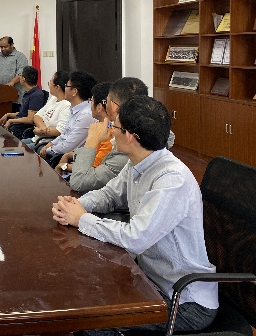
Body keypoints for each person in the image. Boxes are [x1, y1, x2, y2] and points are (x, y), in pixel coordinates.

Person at [52, 96, 218, 334]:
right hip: (150, 279)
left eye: (115, 126)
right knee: (81, 290)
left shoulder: (172, 179)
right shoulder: (139, 161)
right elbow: (110, 195)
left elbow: (136, 238)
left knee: (92, 320)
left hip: (183, 301)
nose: (111, 131)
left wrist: (81, 219)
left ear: (130, 136)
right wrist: (77, 205)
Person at [64, 77, 147, 193]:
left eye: (106, 101)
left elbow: (79, 183)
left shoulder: (125, 146)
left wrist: (92, 140)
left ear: (113, 106)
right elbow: (109, 194)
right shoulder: (139, 131)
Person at [55, 82, 112, 183]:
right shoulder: (100, 125)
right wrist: (69, 155)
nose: (90, 104)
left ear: (99, 107)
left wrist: (63, 166)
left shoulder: (109, 134)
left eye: (91, 101)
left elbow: (91, 168)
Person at [39, 70, 96, 167]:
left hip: (67, 159)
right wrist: (50, 144)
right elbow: (64, 134)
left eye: (67, 86)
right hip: (58, 152)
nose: (64, 88)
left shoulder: (85, 115)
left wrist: (48, 150)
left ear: (74, 92)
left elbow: (68, 146)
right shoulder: (74, 108)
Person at [21, 71, 71, 150]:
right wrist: (42, 127)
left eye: (50, 82)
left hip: (47, 143)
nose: (49, 85)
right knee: (16, 144)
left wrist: (40, 131)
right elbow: (37, 116)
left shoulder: (67, 105)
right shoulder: (54, 98)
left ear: (57, 87)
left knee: (20, 150)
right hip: (38, 139)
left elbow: (59, 131)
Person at [0, 66, 46, 138]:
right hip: (18, 126)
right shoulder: (28, 93)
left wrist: (11, 121)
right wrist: (8, 114)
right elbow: (23, 113)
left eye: (20, 75)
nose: (19, 76)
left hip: (22, 129)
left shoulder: (36, 95)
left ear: (23, 79)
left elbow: (30, 119)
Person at [0, 36, 29, 111]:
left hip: (14, 99)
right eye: (1, 47)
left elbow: (21, 74)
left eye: (5, 47)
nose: (3, 49)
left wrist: (12, 82)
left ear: (12, 44)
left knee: (13, 117)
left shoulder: (20, 57)